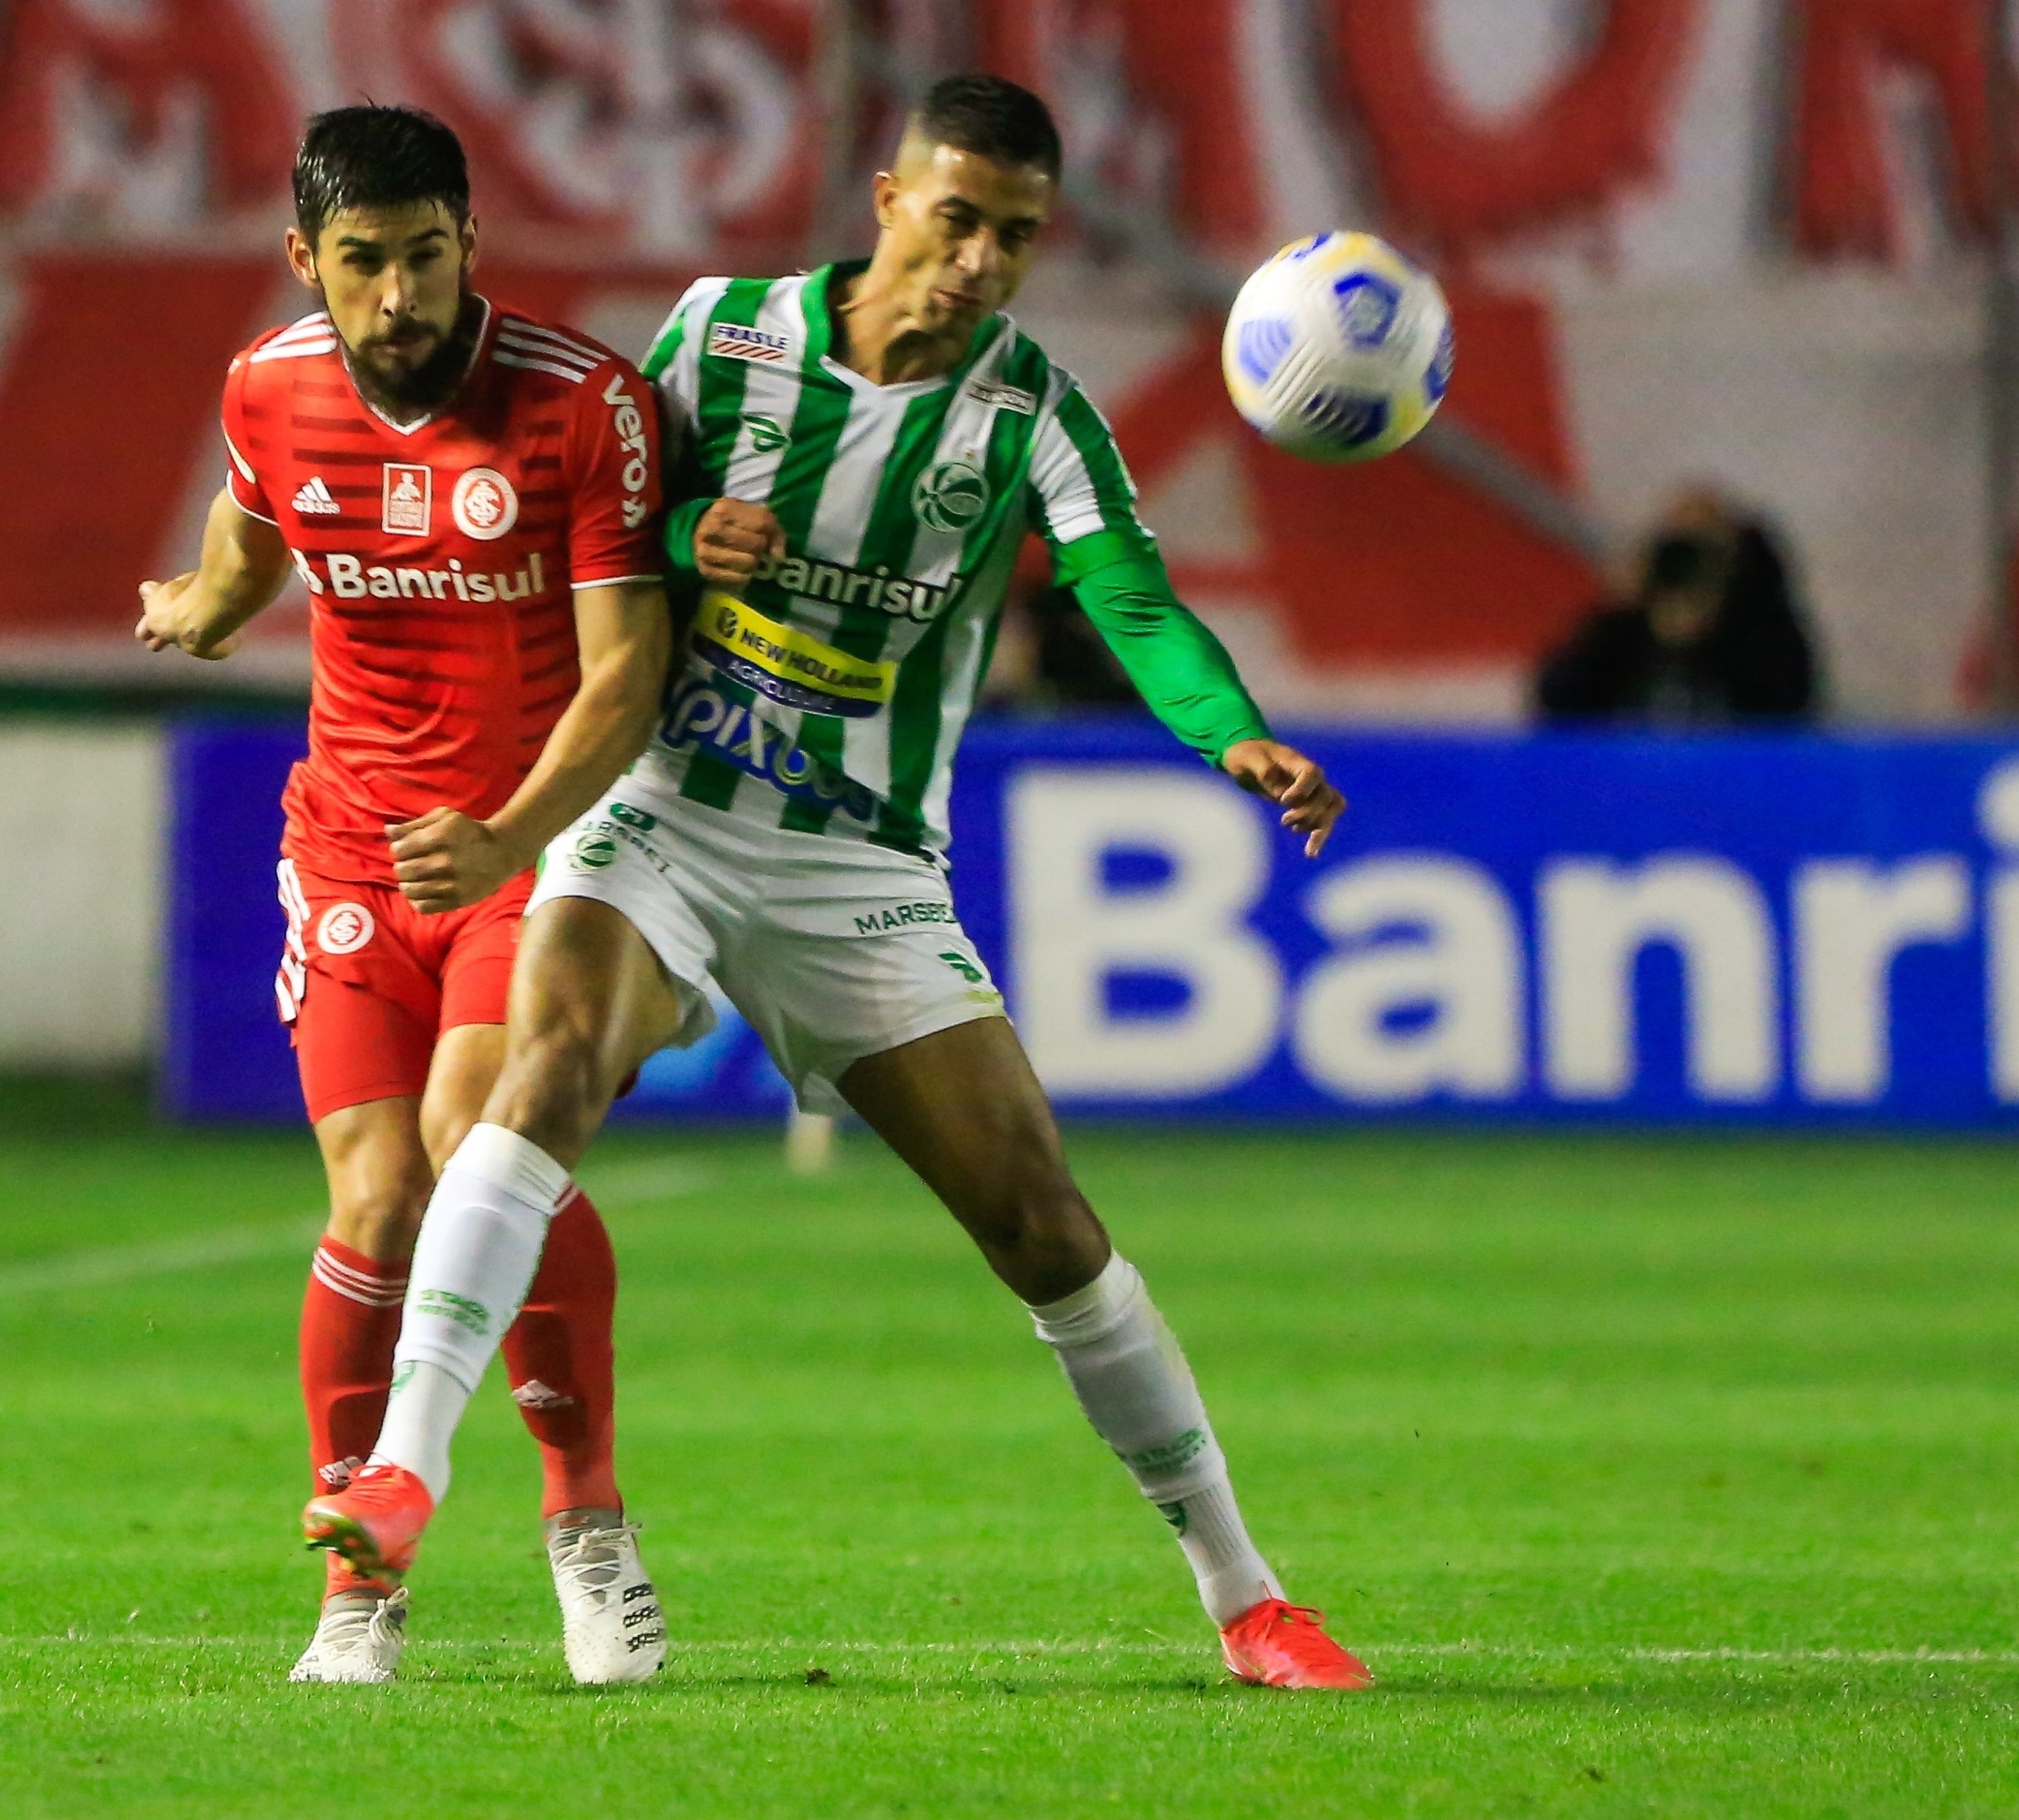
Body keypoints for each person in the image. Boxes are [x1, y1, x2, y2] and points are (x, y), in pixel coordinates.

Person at [304, 75, 1370, 1691]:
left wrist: (1231, 735)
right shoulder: (721, 335)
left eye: (1013, 236)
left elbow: (1128, 597)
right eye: (955, 221)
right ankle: (405, 1471)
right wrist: (682, 535)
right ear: (888, 200)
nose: (978, 263)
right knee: (546, 1069)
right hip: (658, 810)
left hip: (854, 865)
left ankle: (1245, 1595)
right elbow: (591, 511)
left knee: (1042, 1225)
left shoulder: (1032, 415)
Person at [134, 106, 673, 1686]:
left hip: (538, 848)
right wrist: (199, 606)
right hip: (353, 847)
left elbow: (629, 672)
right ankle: (354, 1584)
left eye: (423, 258)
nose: (396, 299)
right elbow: (250, 547)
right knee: (372, 1200)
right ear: (306, 259)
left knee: (473, 1142)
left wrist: (511, 834)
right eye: (360, 263)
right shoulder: (270, 387)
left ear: (470, 247)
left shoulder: (584, 408)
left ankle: (586, 1523)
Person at [1536, 496, 1818, 724]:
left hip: (1734, 784)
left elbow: (1789, 709)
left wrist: (1716, 630)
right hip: (1631, 784)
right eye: (1677, 547)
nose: (1688, 563)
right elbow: (1557, 701)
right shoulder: (1622, 630)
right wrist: (1616, 611)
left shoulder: (1764, 628)